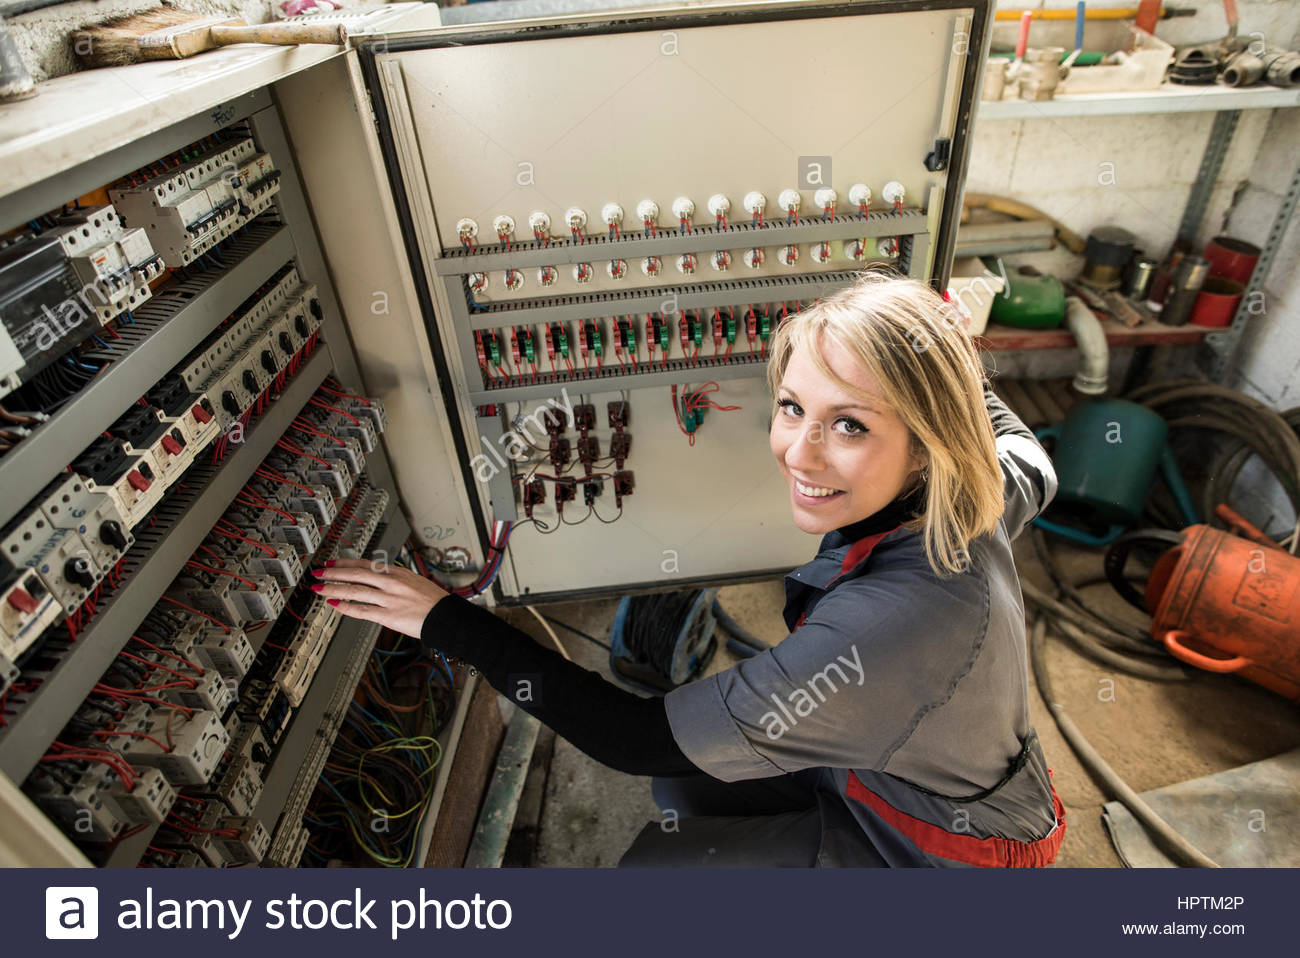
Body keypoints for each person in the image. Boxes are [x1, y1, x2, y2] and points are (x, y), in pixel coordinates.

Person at [312, 269, 1066, 867]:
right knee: (685, 781)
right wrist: (944, 345)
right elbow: (1027, 451)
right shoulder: (976, 487)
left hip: (944, 848)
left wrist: (444, 621)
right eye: (793, 406)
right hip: (896, 764)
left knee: (659, 872)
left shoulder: (894, 623)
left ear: (931, 441)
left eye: (849, 425)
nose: (799, 453)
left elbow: (632, 737)